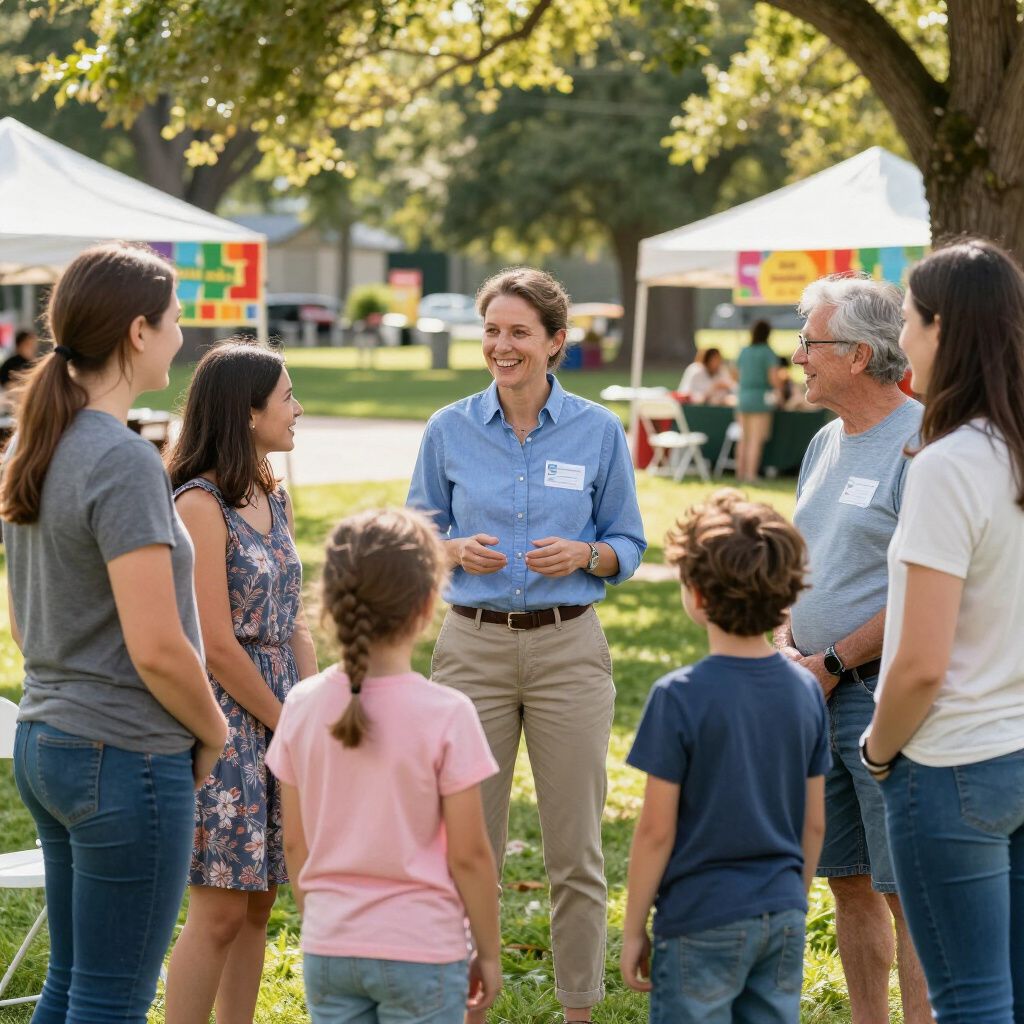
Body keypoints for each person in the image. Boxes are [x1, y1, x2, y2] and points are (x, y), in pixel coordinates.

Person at [407, 267, 646, 1022]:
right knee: (467, 842)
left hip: (568, 650)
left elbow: (628, 543)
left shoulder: (598, 431)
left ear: (555, 344)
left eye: (518, 332)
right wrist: (449, 551)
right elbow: (413, 537)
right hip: (470, 650)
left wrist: (587, 557)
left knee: (576, 850)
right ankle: (465, 1005)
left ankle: (579, 1008)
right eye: (492, 331)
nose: (501, 346)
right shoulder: (447, 429)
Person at [0, 242, 228, 1021]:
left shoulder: (41, 444)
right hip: (121, 754)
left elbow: (24, 623)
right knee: (111, 996)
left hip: (50, 742)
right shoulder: (122, 459)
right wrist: (214, 731)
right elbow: (158, 646)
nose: (179, 338)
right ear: (137, 331)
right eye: (172, 323)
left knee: (73, 984)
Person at [863, 239, 1024, 1022]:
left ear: (942, 329)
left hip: (949, 763)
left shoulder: (947, 464)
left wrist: (878, 750)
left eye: (907, 321)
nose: (901, 340)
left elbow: (920, 662)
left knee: (970, 1002)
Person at [265, 507, 503, 1024]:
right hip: (423, 949)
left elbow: (294, 845)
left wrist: (325, 926)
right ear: (426, 605)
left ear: (330, 604)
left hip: (329, 947)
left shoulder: (301, 705)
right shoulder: (447, 714)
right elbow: (470, 856)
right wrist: (487, 950)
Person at [776, 274, 930, 1024]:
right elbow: (804, 559)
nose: (797, 354)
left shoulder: (921, 443)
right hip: (812, 691)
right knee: (848, 880)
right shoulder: (823, 440)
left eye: (809, 340)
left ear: (860, 355)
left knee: (908, 891)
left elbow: (926, 591)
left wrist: (833, 663)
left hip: (877, 695)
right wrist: (785, 633)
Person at [621, 489, 828, 1023]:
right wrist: (791, 901)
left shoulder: (678, 696)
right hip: (781, 912)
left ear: (696, 593)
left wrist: (633, 926)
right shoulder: (805, 691)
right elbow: (814, 824)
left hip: (698, 918)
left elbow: (655, 831)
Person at [163, 341, 318, 1024]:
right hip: (226, 722)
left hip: (284, 710)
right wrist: (289, 723)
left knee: (260, 903)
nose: (298, 409)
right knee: (220, 909)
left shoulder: (271, 494)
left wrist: (313, 713)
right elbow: (217, 648)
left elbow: (297, 622)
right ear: (247, 411)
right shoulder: (198, 503)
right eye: (287, 396)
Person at [735, 319, 778, 481]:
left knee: (743, 439)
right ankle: (751, 475)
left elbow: (735, 374)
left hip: (743, 396)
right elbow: (773, 379)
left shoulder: (744, 351)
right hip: (760, 397)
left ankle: (740, 474)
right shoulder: (767, 352)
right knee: (755, 439)